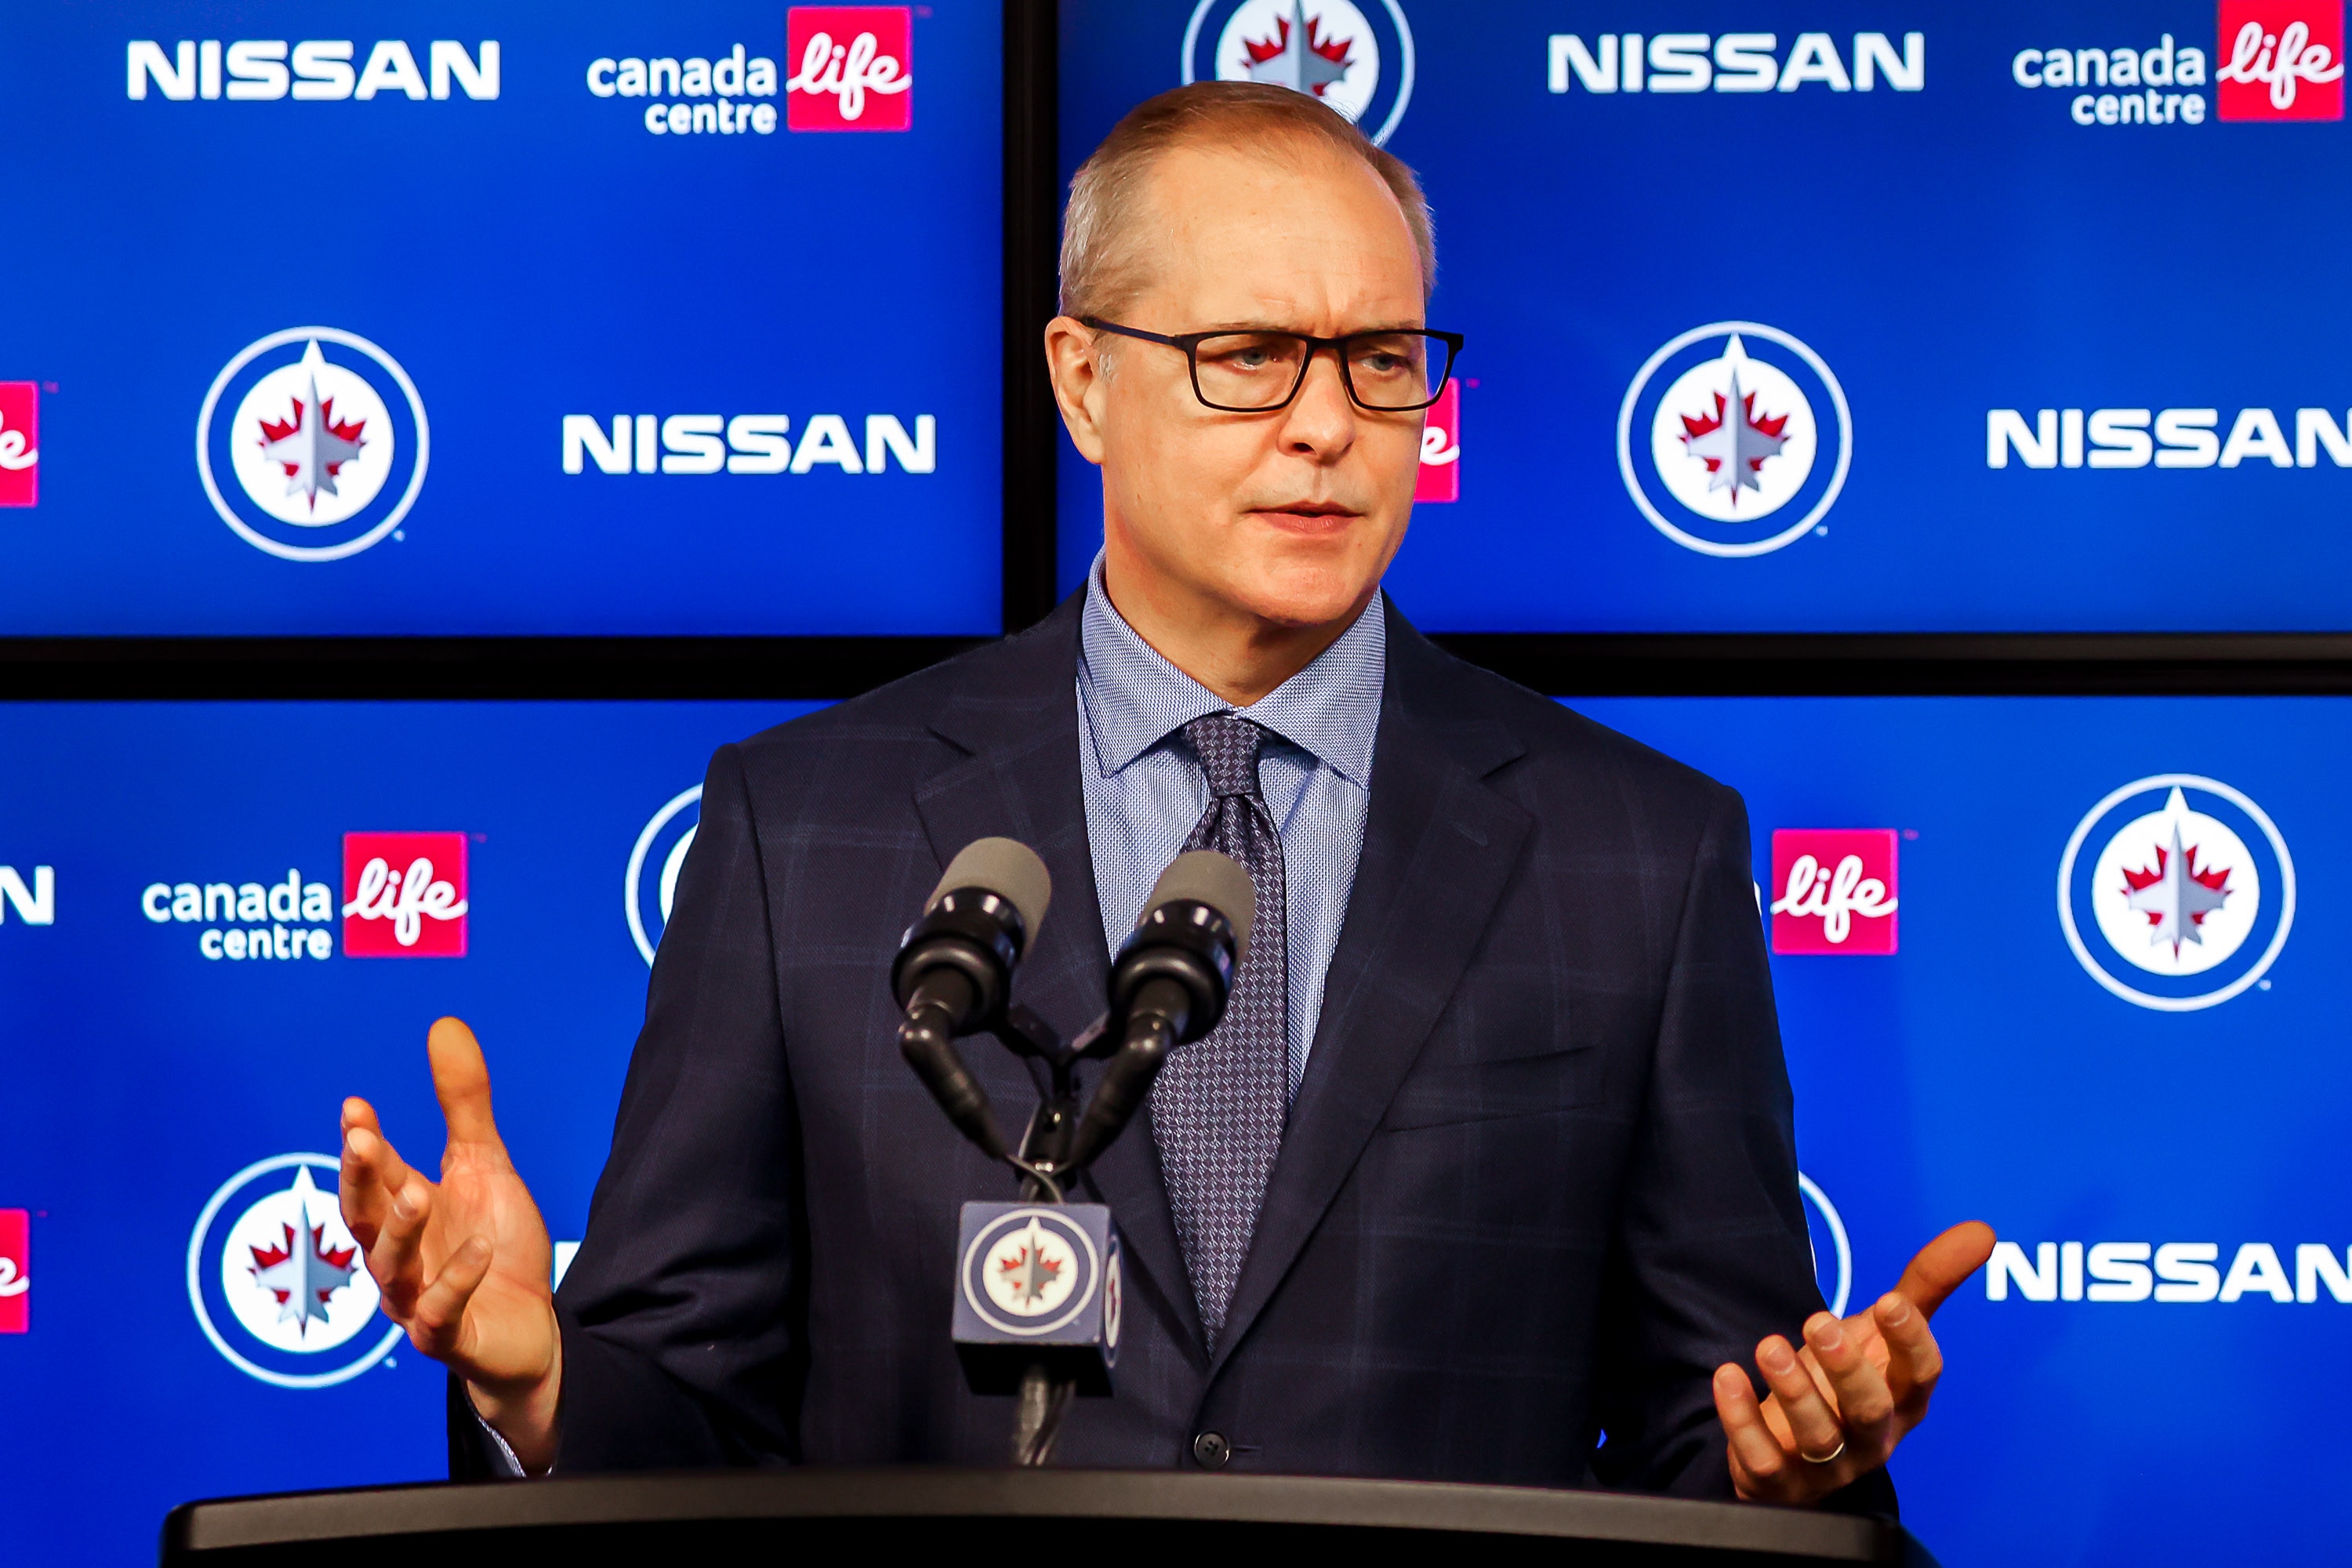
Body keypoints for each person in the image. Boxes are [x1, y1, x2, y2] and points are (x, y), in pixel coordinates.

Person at [339, 82, 1993, 1507]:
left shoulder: (1639, 852)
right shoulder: (804, 828)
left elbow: (1713, 1433)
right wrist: (538, 1376)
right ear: (1079, 379)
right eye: (1249, 356)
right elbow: (692, 1432)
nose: (1329, 426)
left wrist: (1793, 1462)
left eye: (1382, 358)